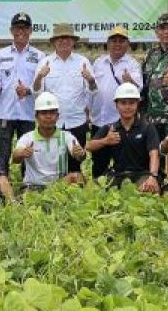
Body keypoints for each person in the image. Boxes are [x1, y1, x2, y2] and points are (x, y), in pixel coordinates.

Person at [0, 12, 44, 173]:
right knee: (3, 153)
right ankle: (1, 182)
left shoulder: (39, 56)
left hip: (28, 113)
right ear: (11, 30)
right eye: (17, 28)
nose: (21, 31)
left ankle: (27, 185)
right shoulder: (1, 54)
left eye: (25, 28)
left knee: (27, 153)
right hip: (5, 112)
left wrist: (28, 91)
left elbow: (42, 87)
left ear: (31, 30)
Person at [85, 83, 160, 192]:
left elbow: (154, 153)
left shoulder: (147, 127)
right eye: (123, 103)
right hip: (117, 174)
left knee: (149, 189)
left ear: (137, 104)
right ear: (116, 105)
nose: (127, 107)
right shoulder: (110, 128)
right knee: (91, 189)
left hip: (141, 175)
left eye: (131, 103)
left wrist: (153, 176)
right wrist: (106, 141)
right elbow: (88, 146)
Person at [90, 26, 144, 178]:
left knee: (123, 161)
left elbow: (137, 90)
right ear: (107, 43)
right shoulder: (99, 62)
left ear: (127, 44)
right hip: (99, 121)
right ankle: (98, 191)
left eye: (121, 41)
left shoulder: (133, 64)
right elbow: (92, 88)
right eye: (114, 41)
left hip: (120, 123)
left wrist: (130, 81)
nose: (117, 44)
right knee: (99, 161)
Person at [32, 23, 95, 151]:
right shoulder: (44, 62)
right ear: (54, 42)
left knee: (76, 164)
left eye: (68, 38)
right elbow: (36, 91)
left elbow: (93, 90)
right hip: (52, 123)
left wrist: (90, 79)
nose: (64, 41)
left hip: (77, 122)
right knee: (53, 164)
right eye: (60, 38)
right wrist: (39, 77)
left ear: (73, 42)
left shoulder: (83, 62)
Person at [12, 92, 86, 191]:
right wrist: (21, 153)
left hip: (59, 185)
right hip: (32, 186)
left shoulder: (66, 136)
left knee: (77, 177)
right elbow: (15, 158)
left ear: (58, 116)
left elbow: (79, 155)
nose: (48, 116)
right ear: (36, 116)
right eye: (44, 113)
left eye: (52, 112)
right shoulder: (27, 138)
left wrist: (80, 153)